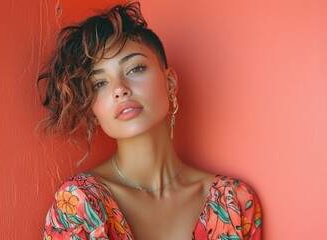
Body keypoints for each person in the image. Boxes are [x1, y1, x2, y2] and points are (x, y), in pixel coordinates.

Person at [39, 2, 262, 239]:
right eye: (99, 83)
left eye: (134, 69)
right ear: (93, 109)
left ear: (170, 83)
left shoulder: (235, 202)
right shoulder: (79, 204)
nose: (119, 89)